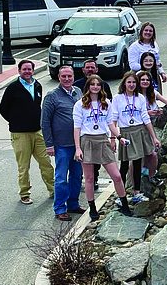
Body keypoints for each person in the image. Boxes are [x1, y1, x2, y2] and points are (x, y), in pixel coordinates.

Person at [73, 74, 132, 220]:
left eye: (98, 84)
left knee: (117, 176)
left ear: (101, 87)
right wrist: (78, 148)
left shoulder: (106, 103)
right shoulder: (80, 104)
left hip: (102, 140)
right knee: (89, 178)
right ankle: (92, 208)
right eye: (92, 84)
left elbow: (110, 123)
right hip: (87, 141)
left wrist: (118, 137)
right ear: (88, 86)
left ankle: (124, 204)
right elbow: (77, 128)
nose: (95, 87)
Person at [0, 59, 54, 204]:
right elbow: (3, 109)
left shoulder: (37, 85)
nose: (27, 71)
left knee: (46, 163)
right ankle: (24, 193)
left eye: (29, 69)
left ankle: (54, 189)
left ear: (33, 70)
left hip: (38, 132)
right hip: (20, 133)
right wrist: (16, 121)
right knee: (24, 166)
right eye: (24, 69)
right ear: (19, 71)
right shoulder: (13, 88)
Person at [110, 72, 161, 203]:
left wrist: (154, 137)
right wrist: (113, 138)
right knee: (124, 164)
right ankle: (120, 195)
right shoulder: (117, 98)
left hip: (139, 131)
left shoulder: (140, 98)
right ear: (124, 83)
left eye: (133, 82)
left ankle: (137, 192)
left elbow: (145, 117)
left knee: (138, 162)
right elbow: (113, 119)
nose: (131, 85)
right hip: (125, 133)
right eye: (129, 82)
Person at [42, 66, 84, 221]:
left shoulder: (78, 92)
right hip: (61, 145)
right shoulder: (51, 96)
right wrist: (49, 144)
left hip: (77, 145)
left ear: (73, 77)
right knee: (61, 178)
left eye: (69, 76)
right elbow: (45, 122)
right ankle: (60, 208)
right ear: (59, 77)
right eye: (64, 76)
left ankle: (73, 204)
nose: (67, 79)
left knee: (77, 176)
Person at [73, 59, 112, 190]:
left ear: (96, 70)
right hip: (84, 130)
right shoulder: (77, 85)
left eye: (92, 67)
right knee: (84, 160)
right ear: (83, 69)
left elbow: (109, 110)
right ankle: (82, 181)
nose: (90, 70)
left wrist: (114, 136)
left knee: (98, 161)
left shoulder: (104, 85)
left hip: (100, 131)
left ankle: (94, 179)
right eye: (87, 67)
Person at [129, 22, 167, 93]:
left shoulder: (155, 45)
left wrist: (162, 72)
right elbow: (133, 65)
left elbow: (157, 61)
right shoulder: (134, 46)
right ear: (141, 32)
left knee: (154, 96)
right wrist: (148, 66)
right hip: (139, 76)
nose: (148, 32)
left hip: (153, 74)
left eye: (150, 31)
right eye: (146, 30)